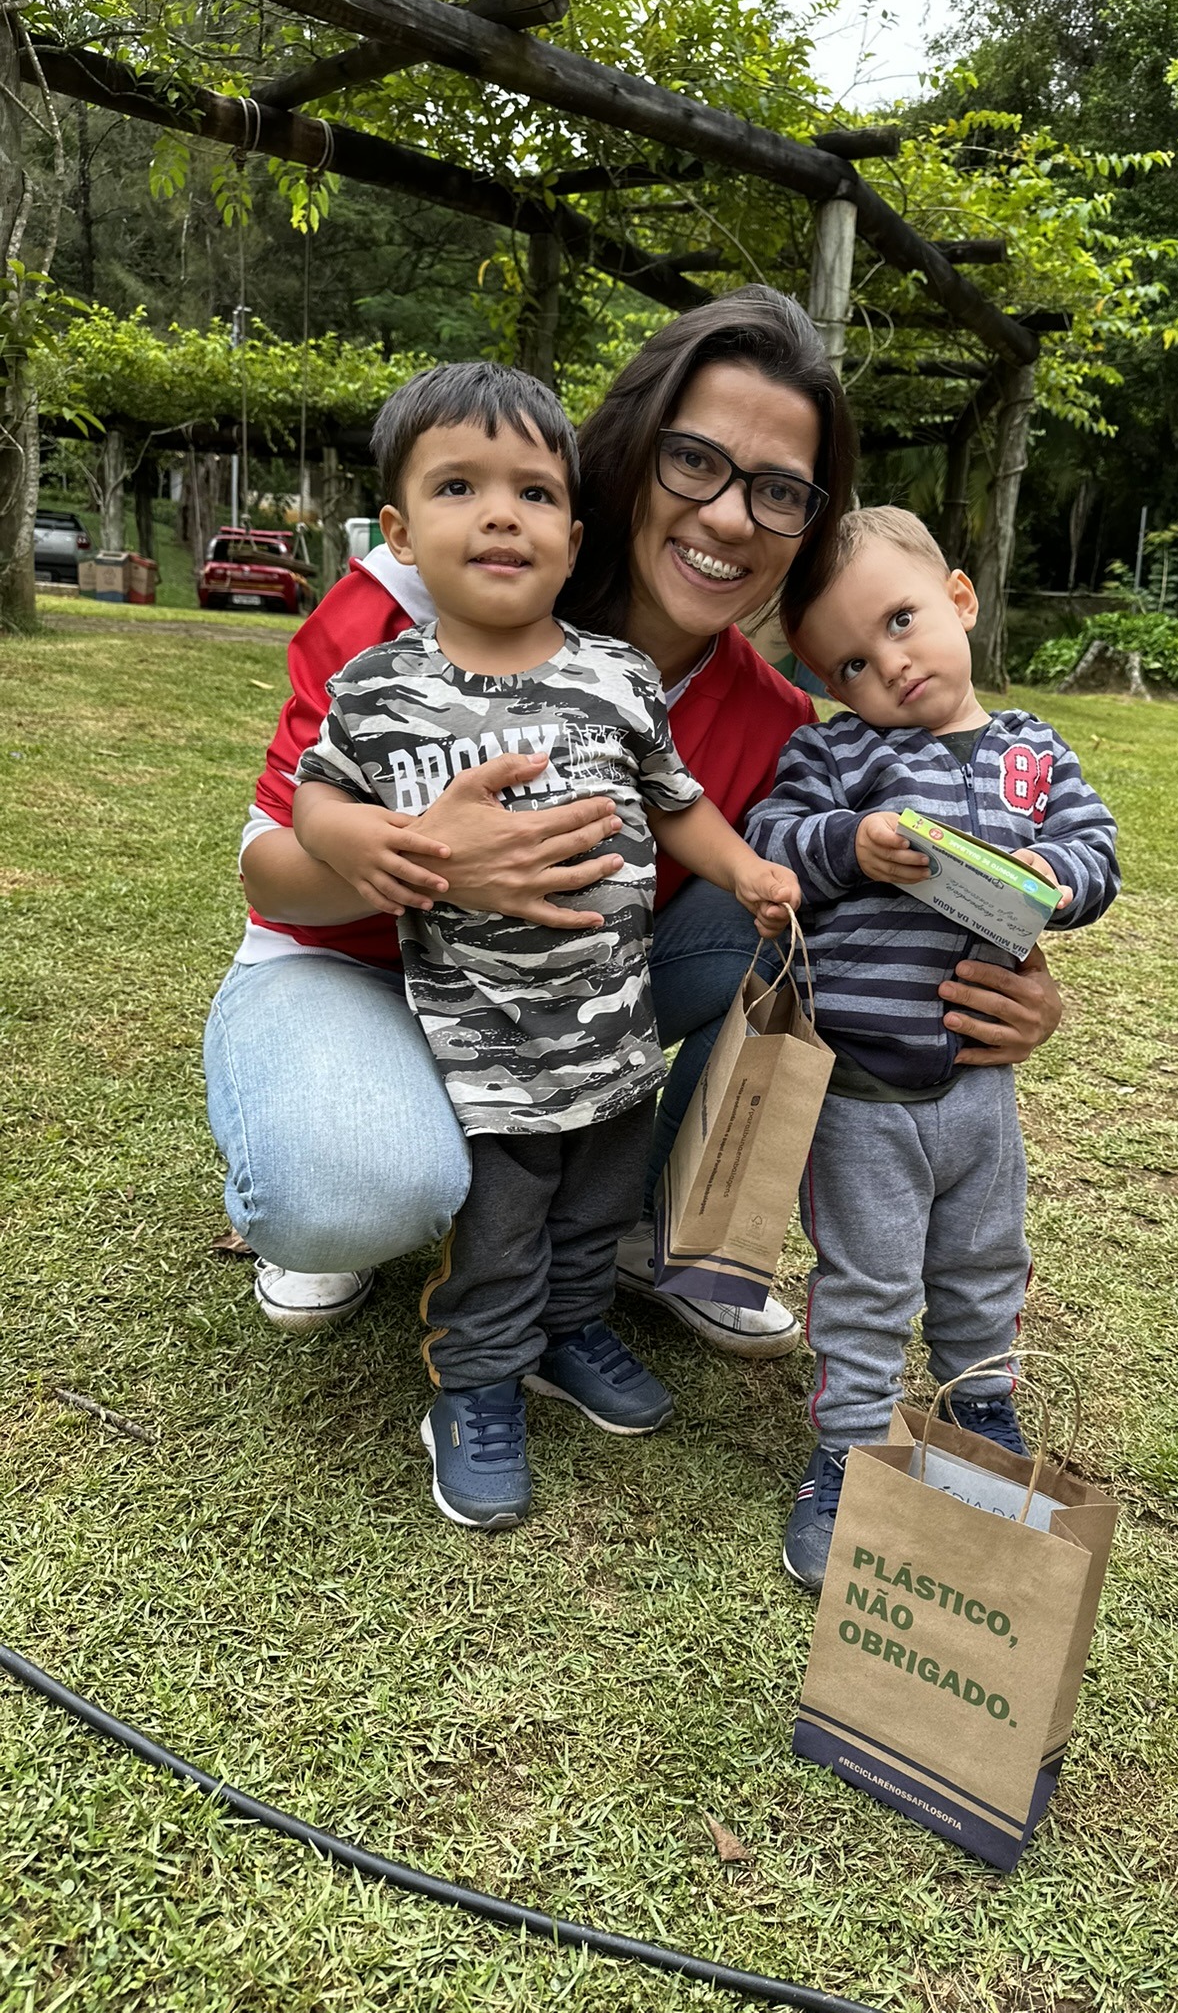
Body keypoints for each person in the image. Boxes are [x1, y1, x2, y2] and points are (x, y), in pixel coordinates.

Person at [205, 286, 1064, 1362]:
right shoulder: (426, 596)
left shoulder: (773, 716)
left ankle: (638, 1227)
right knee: (358, 1188)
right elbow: (269, 873)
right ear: (629, 451)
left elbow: (853, 885)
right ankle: (345, 1148)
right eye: (695, 462)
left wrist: (999, 969)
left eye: (780, 491)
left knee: (791, 910)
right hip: (350, 965)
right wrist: (435, 862)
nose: (729, 518)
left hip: (560, 995)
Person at [294, 361, 800, 1528]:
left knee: (593, 1205)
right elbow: (316, 801)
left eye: (533, 491)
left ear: (577, 534)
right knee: (504, 1225)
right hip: (481, 1049)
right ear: (400, 534)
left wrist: (744, 869)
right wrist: (365, 841)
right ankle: (475, 1385)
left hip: (614, 1033)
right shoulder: (378, 689)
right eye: (459, 486)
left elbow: (676, 801)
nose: (500, 514)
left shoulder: (615, 675)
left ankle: (574, 1330)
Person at [746, 507, 1121, 1590]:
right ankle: (849, 1453)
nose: (889, 665)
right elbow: (772, 837)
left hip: (981, 1088)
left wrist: (1055, 875)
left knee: (984, 1260)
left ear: (960, 598)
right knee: (864, 1285)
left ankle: (977, 1407)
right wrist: (848, 845)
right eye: (852, 661)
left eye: (903, 621)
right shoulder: (834, 750)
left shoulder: (1033, 750)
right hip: (858, 1092)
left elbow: (1096, 849)